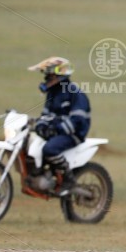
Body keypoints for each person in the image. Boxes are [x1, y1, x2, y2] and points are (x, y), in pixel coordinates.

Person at [28, 57, 91, 194]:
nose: (46, 78)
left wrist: (56, 129)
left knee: (49, 149)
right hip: (58, 133)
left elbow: (77, 120)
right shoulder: (53, 93)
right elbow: (45, 115)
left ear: (59, 75)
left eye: (49, 75)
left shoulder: (74, 93)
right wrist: (40, 126)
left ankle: (69, 179)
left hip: (73, 134)